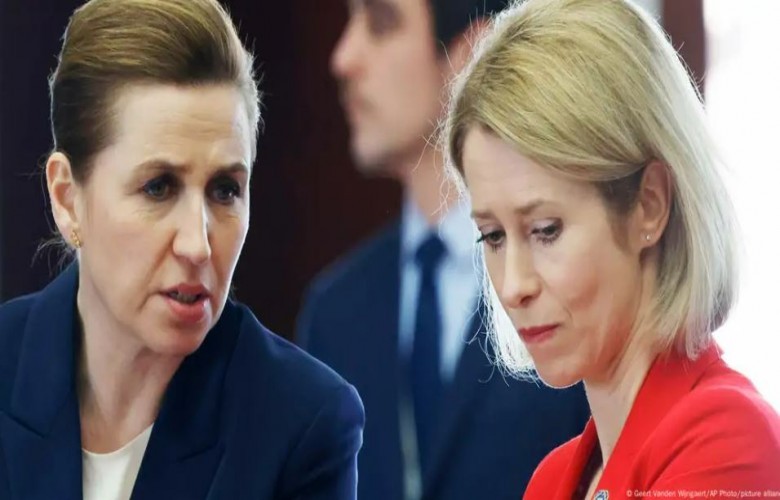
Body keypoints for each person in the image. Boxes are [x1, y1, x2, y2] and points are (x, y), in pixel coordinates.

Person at [0, 1, 364, 499]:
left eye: (225, 190)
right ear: (67, 199)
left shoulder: (302, 425)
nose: (197, 244)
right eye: (158, 187)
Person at [444, 0, 780, 497]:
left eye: (546, 230)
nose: (513, 286)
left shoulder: (727, 440)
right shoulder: (551, 481)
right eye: (493, 236)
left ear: (649, 205)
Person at [296, 1, 590, 499]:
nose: (343, 58)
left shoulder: (571, 278)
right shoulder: (334, 311)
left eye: (382, 24)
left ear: (471, 53)